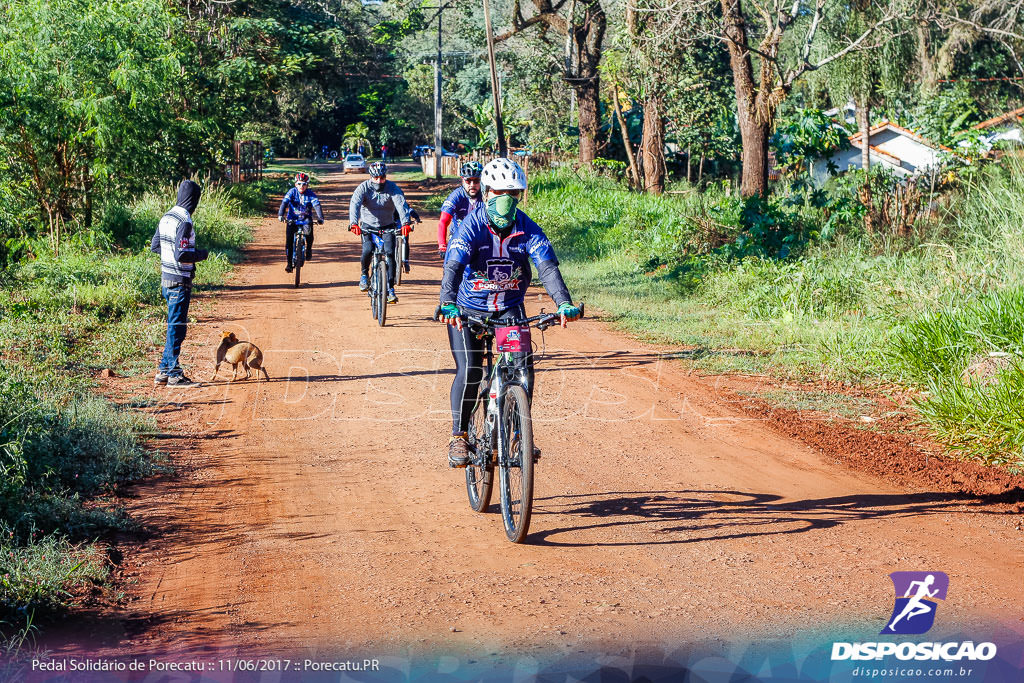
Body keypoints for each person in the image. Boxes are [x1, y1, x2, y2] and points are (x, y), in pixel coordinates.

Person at [436, 158, 581, 467]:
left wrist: (563, 303)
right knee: (471, 370)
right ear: (487, 193)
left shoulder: (528, 228)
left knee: (522, 371)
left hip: (509, 309)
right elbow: (453, 267)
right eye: (499, 191)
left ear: (520, 195)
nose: (505, 199)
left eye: (512, 193)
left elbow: (547, 267)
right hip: (467, 310)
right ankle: (459, 435)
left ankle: (518, 435)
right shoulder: (470, 226)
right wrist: (447, 302)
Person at [150, 180, 209, 387]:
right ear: (194, 199)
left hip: (166, 280)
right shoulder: (184, 220)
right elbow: (182, 254)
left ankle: (164, 372)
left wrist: (169, 257)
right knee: (177, 329)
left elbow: (155, 245)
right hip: (179, 283)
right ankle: (174, 375)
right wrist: (202, 255)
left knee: (174, 327)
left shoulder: (167, 216)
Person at [348, 161, 412, 303]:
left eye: (382, 178)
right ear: (370, 177)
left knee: (390, 254)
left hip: (388, 226)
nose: (379, 181)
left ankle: (390, 289)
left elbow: (401, 204)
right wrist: (353, 223)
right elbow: (355, 204)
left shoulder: (392, 188)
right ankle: (364, 275)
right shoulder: (363, 188)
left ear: (385, 176)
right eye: (376, 178)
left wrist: (406, 222)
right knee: (368, 250)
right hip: (368, 227)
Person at [278, 172, 324, 273]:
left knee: (309, 233)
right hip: (292, 219)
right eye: (299, 184)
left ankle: (308, 249)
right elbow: (284, 202)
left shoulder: (311, 194)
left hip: (306, 219)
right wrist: (280, 215)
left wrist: (320, 218)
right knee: (289, 241)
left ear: (307, 185)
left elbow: (317, 205)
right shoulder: (291, 192)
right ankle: (289, 264)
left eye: (304, 184)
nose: (301, 186)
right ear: (295, 184)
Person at [436, 161, 484, 259]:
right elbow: (443, 222)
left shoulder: (486, 197)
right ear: (462, 180)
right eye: (468, 181)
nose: (472, 184)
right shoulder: (455, 196)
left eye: (476, 181)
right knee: (453, 267)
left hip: (480, 237)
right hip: (458, 236)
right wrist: (442, 246)